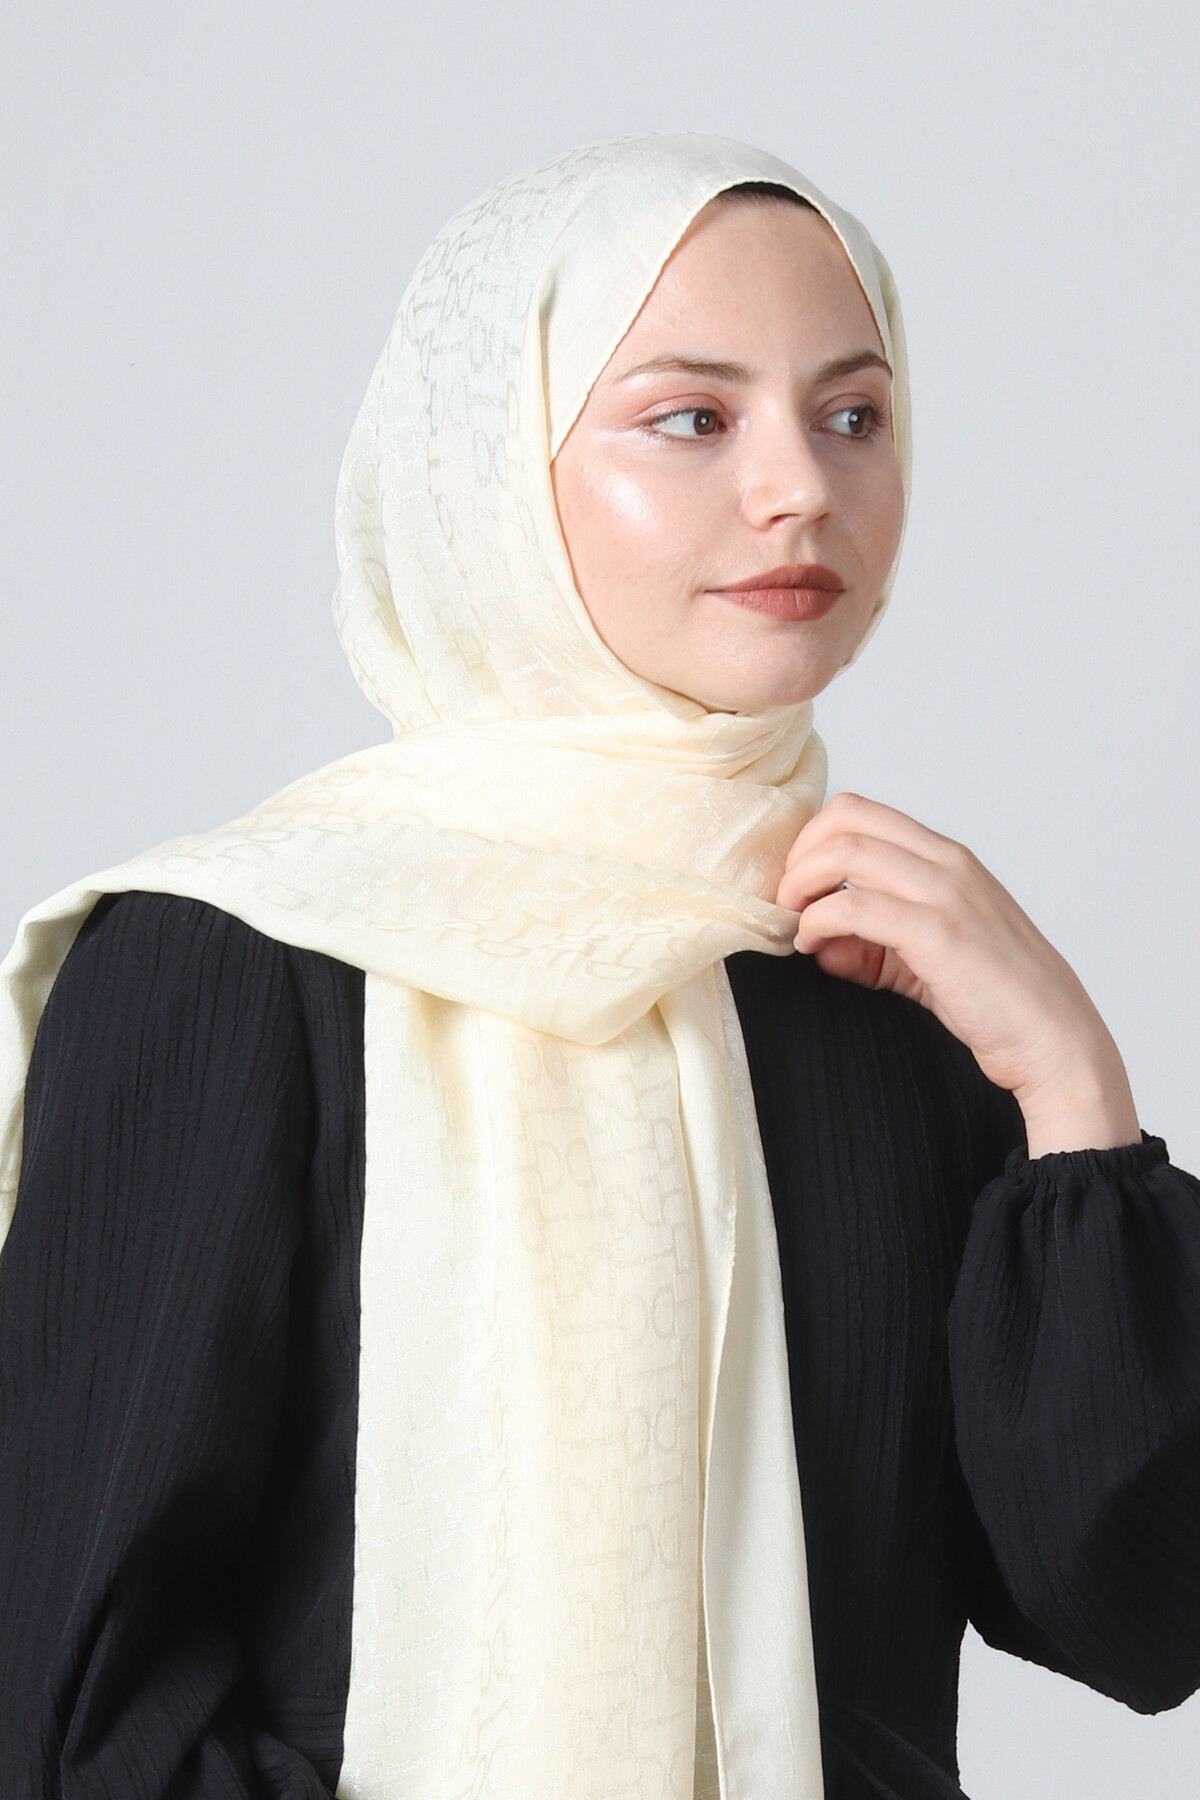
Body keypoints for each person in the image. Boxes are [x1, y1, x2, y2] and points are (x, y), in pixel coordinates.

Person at [0, 132, 1197, 1800]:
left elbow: (1136, 1617)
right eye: (692, 418)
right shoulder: (237, 962)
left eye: (854, 416)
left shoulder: (885, 987)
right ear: (486, 474)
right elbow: (73, 1711)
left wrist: (1075, 1097)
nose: (799, 488)